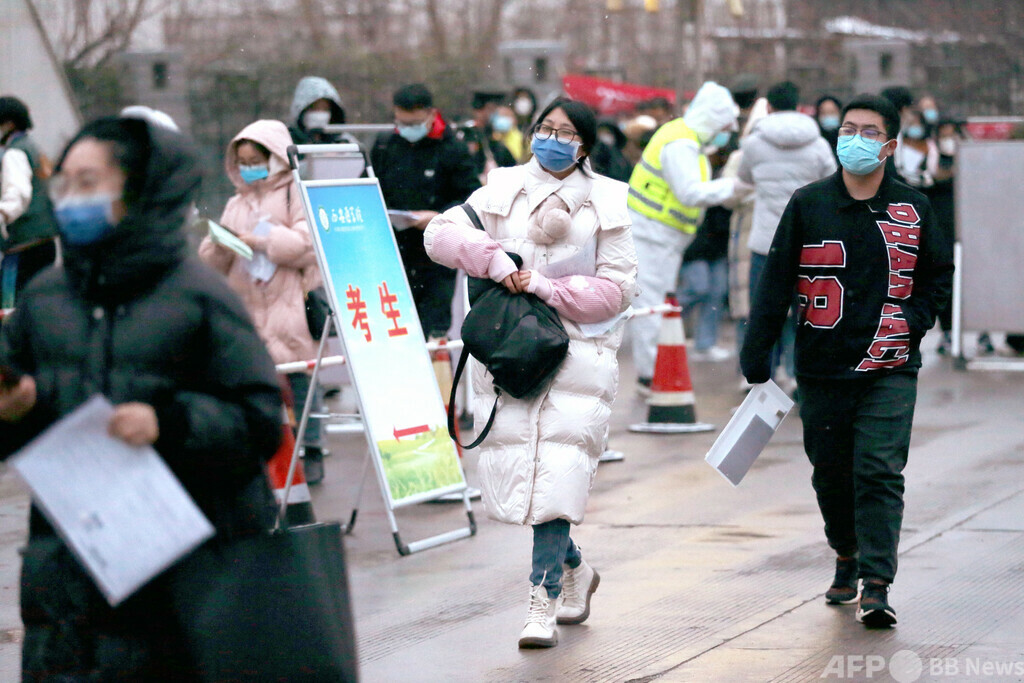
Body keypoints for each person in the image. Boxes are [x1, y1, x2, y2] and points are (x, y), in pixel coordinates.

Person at [0, 116, 282, 679]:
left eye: (90, 183)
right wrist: (16, 411)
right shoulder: (44, 298)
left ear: (141, 190)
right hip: (68, 585)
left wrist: (169, 422)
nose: (70, 199)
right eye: (66, 184)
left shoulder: (199, 296)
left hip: (188, 584)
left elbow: (259, 422)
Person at [423, 98, 637, 649]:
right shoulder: (499, 189)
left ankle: (540, 601)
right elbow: (439, 237)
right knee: (529, 480)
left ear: (586, 145)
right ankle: (576, 569)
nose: (553, 139)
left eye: (566, 133)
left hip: (576, 355)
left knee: (557, 474)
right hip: (510, 353)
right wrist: (497, 262)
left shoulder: (609, 201)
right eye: (545, 128)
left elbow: (616, 291)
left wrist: (547, 287)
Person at [741, 94, 954, 628]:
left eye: (868, 132)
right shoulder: (808, 203)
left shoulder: (914, 209)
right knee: (831, 474)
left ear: (889, 146)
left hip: (889, 365)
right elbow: (776, 281)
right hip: (822, 367)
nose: (854, 139)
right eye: (848, 128)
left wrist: (913, 322)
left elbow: (937, 277)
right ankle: (846, 552)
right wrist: (757, 351)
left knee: (878, 472)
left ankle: (876, 585)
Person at [198, 119, 327, 482]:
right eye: (242, 161)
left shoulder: (295, 192)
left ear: (275, 157)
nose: (248, 167)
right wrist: (221, 244)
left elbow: (306, 244)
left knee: (300, 380)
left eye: (256, 159)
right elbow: (210, 261)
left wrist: (260, 239)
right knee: (259, 385)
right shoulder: (235, 203)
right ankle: (271, 451)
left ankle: (312, 448)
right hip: (249, 306)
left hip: (289, 303)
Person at [627, 81, 745, 392]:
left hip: (662, 236)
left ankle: (655, 370)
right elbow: (690, 193)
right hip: (653, 234)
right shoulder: (681, 144)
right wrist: (733, 187)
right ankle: (649, 374)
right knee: (651, 306)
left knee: (657, 305)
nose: (727, 132)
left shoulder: (685, 138)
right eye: (724, 125)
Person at [738, 81, 837, 389]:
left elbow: (744, 176)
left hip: (766, 242)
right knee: (805, 313)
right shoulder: (818, 143)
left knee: (765, 313)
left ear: (768, 107)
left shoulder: (755, 143)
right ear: (799, 106)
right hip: (808, 243)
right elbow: (832, 180)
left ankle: (762, 374)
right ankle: (800, 375)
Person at [371, 83, 480, 339]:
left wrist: (438, 216)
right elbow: (368, 185)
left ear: (431, 115)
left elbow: (471, 196)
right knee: (395, 325)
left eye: (415, 122)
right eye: (402, 122)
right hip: (393, 251)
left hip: (436, 254)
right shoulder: (386, 144)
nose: (408, 130)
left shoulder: (452, 148)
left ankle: (439, 377)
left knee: (434, 328)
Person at [677, 143, 734, 362]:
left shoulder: (725, 177)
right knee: (697, 288)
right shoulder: (692, 178)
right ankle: (661, 322)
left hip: (717, 246)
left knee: (716, 293)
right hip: (695, 247)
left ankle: (705, 343)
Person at [0, 96, 58, 309]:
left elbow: (18, 194)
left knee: (10, 311)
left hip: (22, 250)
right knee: (41, 309)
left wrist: (3, 213)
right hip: (44, 244)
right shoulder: (35, 149)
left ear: (8, 124)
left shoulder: (15, 153)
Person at [288, 76, 349, 145]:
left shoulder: (344, 141)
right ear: (301, 110)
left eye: (325, 109)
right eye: (313, 108)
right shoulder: (286, 142)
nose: (319, 114)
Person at [893, 108, 938, 189]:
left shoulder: (928, 145)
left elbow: (932, 169)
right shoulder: (899, 143)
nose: (915, 126)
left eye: (917, 123)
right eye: (912, 123)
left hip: (922, 186)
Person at [590, 118, 633, 182]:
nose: (605, 136)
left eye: (608, 132)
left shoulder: (621, 156)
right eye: (602, 133)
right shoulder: (593, 155)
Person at [815, 94, 843, 160]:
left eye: (832, 112)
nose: (828, 116)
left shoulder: (847, 140)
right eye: (824, 113)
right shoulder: (815, 141)